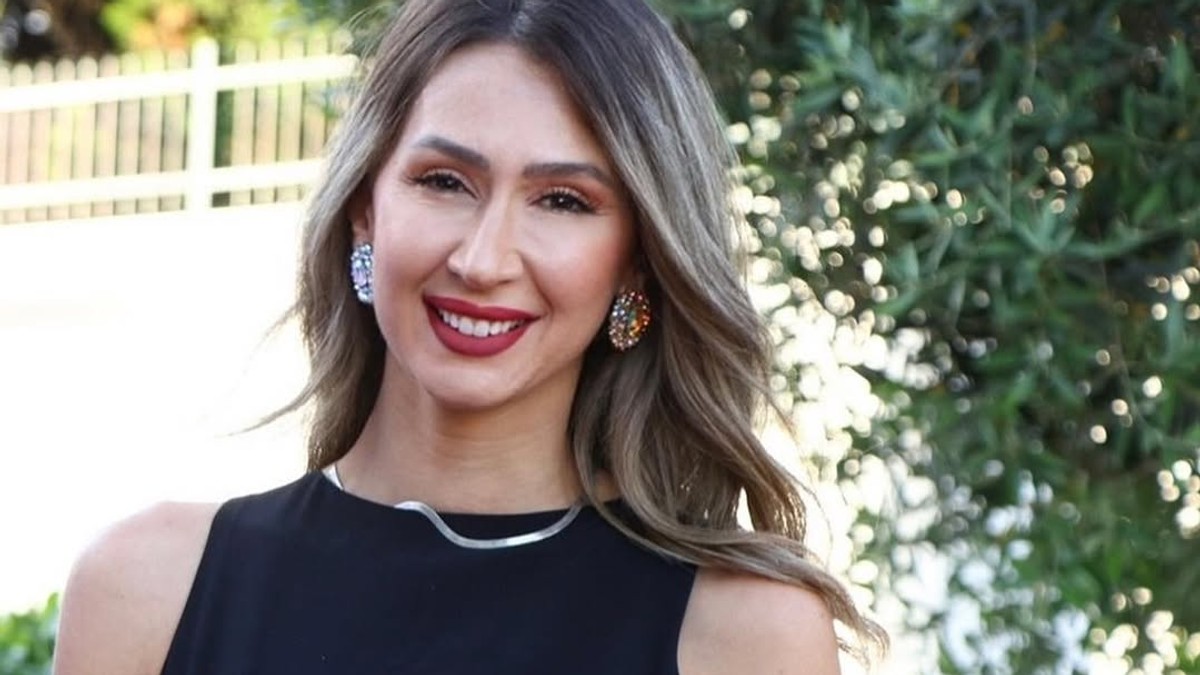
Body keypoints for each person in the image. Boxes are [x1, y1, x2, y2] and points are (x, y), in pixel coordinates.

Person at [53, 0, 885, 672]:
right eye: (445, 181)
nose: (483, 260)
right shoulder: (147, 589)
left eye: (563, 200)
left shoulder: (746, 636)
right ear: (365, 210)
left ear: (637, 262)